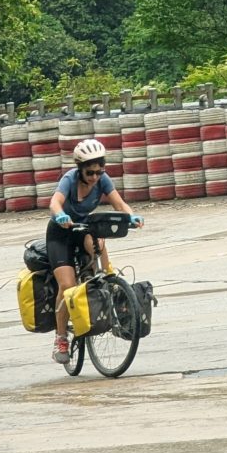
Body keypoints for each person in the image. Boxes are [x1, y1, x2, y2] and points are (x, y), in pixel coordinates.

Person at [46, 138, 142, 364]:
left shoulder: (103, 180)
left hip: (84, 228)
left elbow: (119, 204)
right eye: (90, 173)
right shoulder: (69, 179)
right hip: (61, 233)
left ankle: (109, 281)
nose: (95, 177)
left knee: (98, 243)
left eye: (100, 171)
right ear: (80, 169)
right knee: (67, 286)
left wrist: (131, 216)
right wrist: (60, 214)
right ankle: (61, 338)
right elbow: (54, 202)